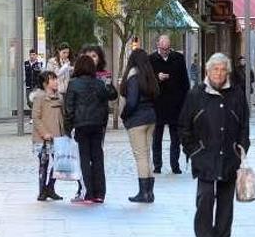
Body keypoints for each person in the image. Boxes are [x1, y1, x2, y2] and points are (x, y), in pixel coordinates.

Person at [179, 53, 249, 237]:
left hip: (229, 155)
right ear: (207, 71)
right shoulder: (196, 94)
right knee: (205, 198)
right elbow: (184, 126)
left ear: (227, 72)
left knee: (226, 203)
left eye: (222, 69)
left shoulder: (236, 93)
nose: (218, 73)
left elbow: (244, 124)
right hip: (205, 155)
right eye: (215, 69)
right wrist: (193, 150)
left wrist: (241, 147)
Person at [64, 55, 118, 203]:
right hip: (97, 125)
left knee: (84, 158)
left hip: (80, 125)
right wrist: (109, 84)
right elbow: (112, 96)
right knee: (97, 158)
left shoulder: (73, 84)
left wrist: (67, 128)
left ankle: (88, 192)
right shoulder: (99, 84)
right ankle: (100, 193)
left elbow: (69, 108)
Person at [121, 49, 159, 203]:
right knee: (146, 154)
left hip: (137, 120)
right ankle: (149, 192)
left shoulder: (133, 76)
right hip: (150, 117)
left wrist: (124, 115)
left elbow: (131, 102)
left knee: (141, 156)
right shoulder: (149, 76)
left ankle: (143, 192)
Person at [149, 35, 190, 174]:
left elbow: (185, 82)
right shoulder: (152, 59)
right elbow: (147, 81)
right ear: (158, 46)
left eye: (167, 49)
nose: (165, 51)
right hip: (158, 104)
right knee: (157, 137)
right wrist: (157, 77)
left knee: (175, 137)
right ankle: (157, 165)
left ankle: (175, 164)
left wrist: (186, 103)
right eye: (162, 49)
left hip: (175, 104)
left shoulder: (178, 58)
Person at [32, 71, 73, 202]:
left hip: (58, 137)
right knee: (43, 163)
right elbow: (36, 117)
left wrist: (66, 132)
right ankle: (42, 191)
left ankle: (51, 187)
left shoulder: (60, 97)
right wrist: (44, 133)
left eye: (56, 79)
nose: (56, 81)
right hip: (43, 138)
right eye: (52, 79)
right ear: (45, 83)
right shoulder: (39, 97)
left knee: (58, 163)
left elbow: (63, 116)